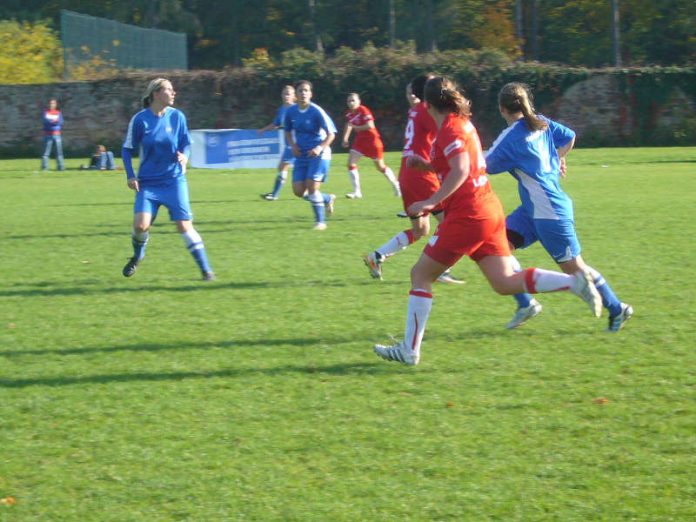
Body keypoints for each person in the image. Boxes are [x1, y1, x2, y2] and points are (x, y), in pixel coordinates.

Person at [373, 76, 603, 366]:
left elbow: (461, 169)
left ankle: (409, 350)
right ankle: (573, 283)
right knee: (504, 282)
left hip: (467, 216)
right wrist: (429, 166)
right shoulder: (463, 123)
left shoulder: (450, 129)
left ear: (428, 104)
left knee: (420, 274)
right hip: (487, 210)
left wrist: (431, 201)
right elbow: (468, 166)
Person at [485, 82, 633, 332]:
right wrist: (559, 157)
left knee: (576, 270)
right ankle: (526, 304)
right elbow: (570, 137)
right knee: (497, 246)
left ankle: (617, 308)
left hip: (550, 212)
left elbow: (482, 164)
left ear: (501, 108)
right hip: (533, 209)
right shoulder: (539, 121)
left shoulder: (512, 136)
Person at [362, 74, 463, 285]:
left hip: (407, 174)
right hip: (421, 174)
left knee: (421, 229)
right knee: (449, 223)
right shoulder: (426, 110)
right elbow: (446, 131)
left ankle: (377, 256)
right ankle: (441, 268)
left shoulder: (415, 111)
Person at [121, 78, 215, 280]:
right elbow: (127, 149)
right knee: (140, 226)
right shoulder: (140, 120)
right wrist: (130, 175)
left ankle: (206, 271)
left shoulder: (177, 117)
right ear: (156, 94)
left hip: (174, 181)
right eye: (170, 90)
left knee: (184, 225)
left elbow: (186, 143)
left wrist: (185, 156)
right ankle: (138, 256)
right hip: (148, 184)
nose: (174, 93)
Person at [283, 80, 337, 230]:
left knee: (312, 188)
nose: (303, 93)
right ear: (296, 94)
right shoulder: (291, 112)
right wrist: (292, 145)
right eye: (300, 90)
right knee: (299, 191)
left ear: (311, 94)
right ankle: (327, 198)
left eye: (306, 90)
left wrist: (319, 148)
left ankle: (320, 222)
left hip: (319, 153)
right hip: (301, 154)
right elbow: (287, 130)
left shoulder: (316, 111)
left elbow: (331, 134)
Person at [340, 92, 400, 199]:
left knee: (381, 167)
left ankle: (396, 186)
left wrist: (357, 128)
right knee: (350, 163)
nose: (351, 103)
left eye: (353, 100)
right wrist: (345, 138)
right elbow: (349, 125)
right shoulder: (349, 113)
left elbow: (370, 125)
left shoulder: (363, 110)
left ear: (359, 101)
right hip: (360, 142)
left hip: (372, 142)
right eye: (349, 101)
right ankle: (357, 192)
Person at [259, 85, 297, 201]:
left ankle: (275, 194)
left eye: (288, 94)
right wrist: (263, 130)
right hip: (288, 144)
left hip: (296, 143)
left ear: (293, 96)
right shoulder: (282, 109)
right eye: (284, 93)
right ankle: (275, 194)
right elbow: (276, 124)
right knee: (283, 168)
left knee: (282, 167)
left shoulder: (296, 109)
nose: (286, 96)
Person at [41, 98, 65, 171]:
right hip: (48, 135)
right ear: (48, 104)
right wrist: (54, 122)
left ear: (55, 104)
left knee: (59, 153)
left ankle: (61, 168)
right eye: (51, 103)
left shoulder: (58, 113)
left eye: (53, 103)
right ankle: (45, 168)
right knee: (46, 153)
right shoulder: (45, 113)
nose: (52, 105)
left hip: (57, 135)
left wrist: (53, 122)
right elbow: (45, 122)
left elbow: (60, 122)